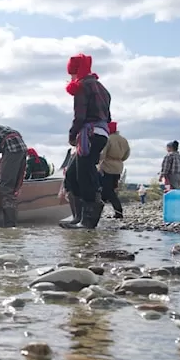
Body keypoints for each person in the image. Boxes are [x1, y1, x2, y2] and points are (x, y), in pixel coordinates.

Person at [60, 53, 112, 229]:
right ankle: (78, 217)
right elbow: (109, 117)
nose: (71, 77)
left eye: (72, 74)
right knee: (72, 174)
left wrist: (72, 135)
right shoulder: (103, 88)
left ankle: (88, 220)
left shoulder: (81, 87)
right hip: (101, 134)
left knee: (83, 175)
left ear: (76, 72)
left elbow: (79, 116)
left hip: (89, 135)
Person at [98, 121, 130, 219]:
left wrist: (98, 162)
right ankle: (99, 212)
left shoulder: (108, 139)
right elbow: (127, 154)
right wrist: (119, 160)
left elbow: (103, 154)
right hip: (119, 166)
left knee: (107, 191)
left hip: (107, 166)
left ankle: (118, 211)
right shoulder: (123, 140)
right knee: (109, 190)